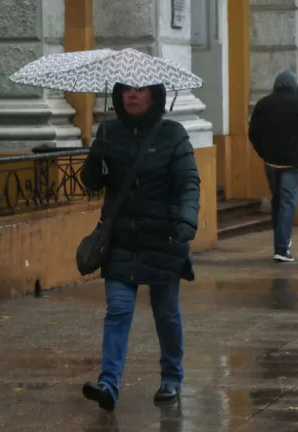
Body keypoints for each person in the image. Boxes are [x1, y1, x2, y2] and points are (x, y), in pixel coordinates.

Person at [79, 83, 201, 411]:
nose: (131, 95)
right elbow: (90, 183)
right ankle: (109, 384)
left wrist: (187, 221)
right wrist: (96, 153)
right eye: (126, 90)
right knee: (118, 310)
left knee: (165, 313)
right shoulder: (108, 132)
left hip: (164, 238)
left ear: (155, 96)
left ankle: (172, 377)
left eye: (140, 90)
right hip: (120, 239)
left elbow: (189, 181)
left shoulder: (173, 134)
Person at [248, 70, 298, 262]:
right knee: (287, 202)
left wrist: (263, 153)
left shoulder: (263, 104)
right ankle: (282, 248)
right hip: (292, 163)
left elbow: (253, 133)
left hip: (270, 162)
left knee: (277, 201)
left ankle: (281, 242)